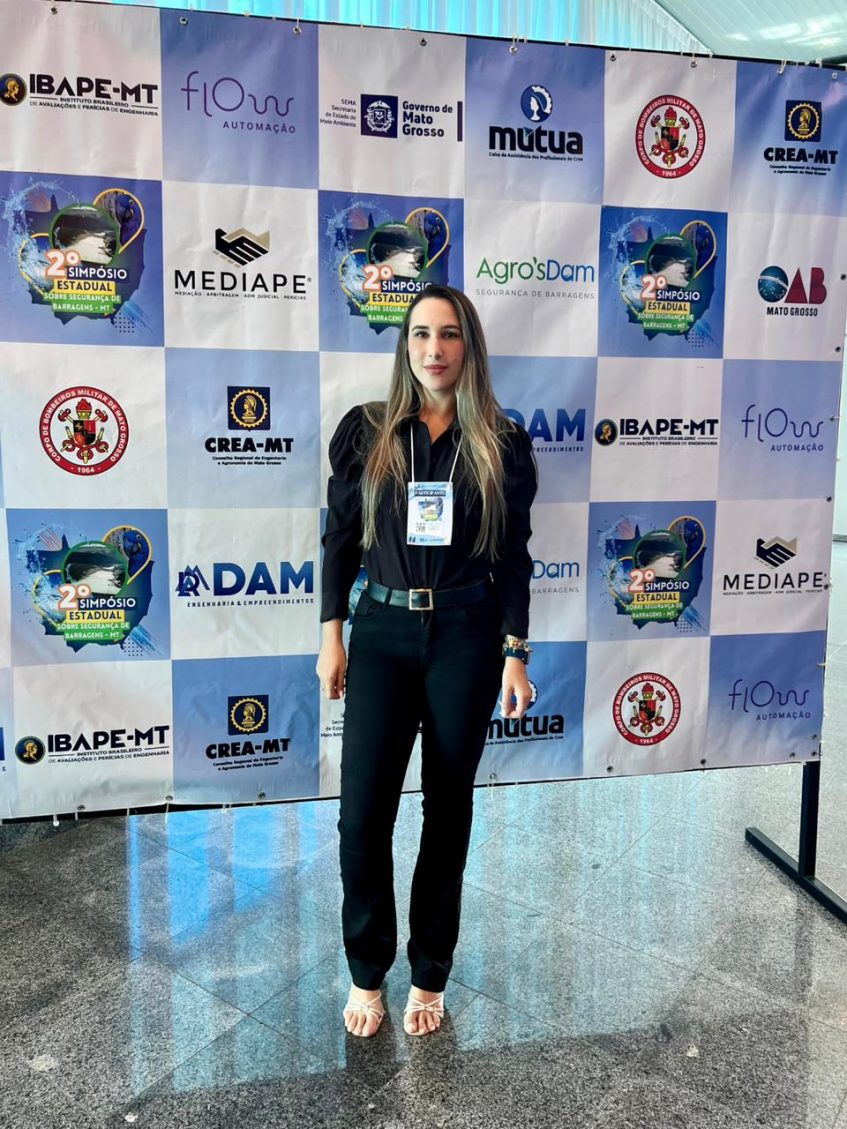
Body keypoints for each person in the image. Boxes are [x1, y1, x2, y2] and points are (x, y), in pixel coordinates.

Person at [316, 284, 538, 1038]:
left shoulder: (502, 441)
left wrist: (514, 651)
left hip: (466, 637)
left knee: (447, 811)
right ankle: (366, 968)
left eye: (447, 334)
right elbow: (339, 539)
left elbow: (513, 557)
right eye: (419, 334)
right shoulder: (367, 431)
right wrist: (332, 633)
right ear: (404, 344)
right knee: (362, 814)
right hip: (381, 631)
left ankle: (430, 971)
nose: (433, 349)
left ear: (469, 346)